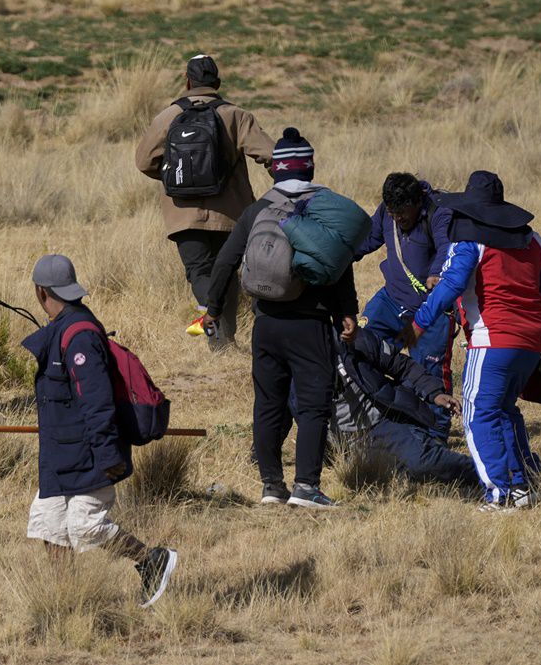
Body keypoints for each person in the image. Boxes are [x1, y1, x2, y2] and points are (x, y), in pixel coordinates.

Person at [203, 128, 359, 508]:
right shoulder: (324, 206)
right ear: (310, 168)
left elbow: (225, 261)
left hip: (266, 323)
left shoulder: (258, 209)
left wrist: (212, 308)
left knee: (268, 403)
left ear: (274, 171)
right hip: (310, 323)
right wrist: (347, 312)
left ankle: (271, 486)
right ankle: (306, 487)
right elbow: (339, 266)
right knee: (312, 406)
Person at [22, 254, 177, 608]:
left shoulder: (80, 337)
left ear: (41, 292)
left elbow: (97, 402)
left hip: (90, 452)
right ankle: (67, 599)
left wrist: (108, 456)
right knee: (50, 526)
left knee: (85, 527)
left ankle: (152, 559)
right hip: (58, 453)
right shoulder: (63, 327)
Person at [404, 171, 541, 511]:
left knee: (479, 414)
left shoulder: (470, 243)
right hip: (531, 342)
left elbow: (449, 286)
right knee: (503, 410)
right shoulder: (534, 240)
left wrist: (418, 324)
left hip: (492, 340)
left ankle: (502, 494)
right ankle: (523, 485)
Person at [134, 54, 274, 350]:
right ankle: (228, 337)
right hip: (231, 213)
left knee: (199, 272)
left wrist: (177, 179)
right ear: (217, 83)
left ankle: (218, 339)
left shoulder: (167, 116)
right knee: (229, 272)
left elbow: (143, 161)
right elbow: (270, 155)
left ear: (187, 81)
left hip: (183, 213)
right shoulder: (237, 115)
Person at [355, 172, 456, 437]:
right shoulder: (387, 212)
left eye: (403, 213)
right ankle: (375, 418)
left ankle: (436, 435)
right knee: (359, 347)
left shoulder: (439, 212)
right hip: (390, 300)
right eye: (393, 213)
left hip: (430, 310)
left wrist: (437, 272)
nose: (398, 220)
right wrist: (341, 253)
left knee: (430, 373)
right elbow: (369, 238)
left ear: (417, 201)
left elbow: (448, 248)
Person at [325, 331, 476, 487]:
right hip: (342, 442)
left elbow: (402, 366)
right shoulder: (301, 360)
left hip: (381, 424)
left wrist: (434, 392)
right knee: (386, 479)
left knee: (422, 463)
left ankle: (488, 474)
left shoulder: (356, 340)